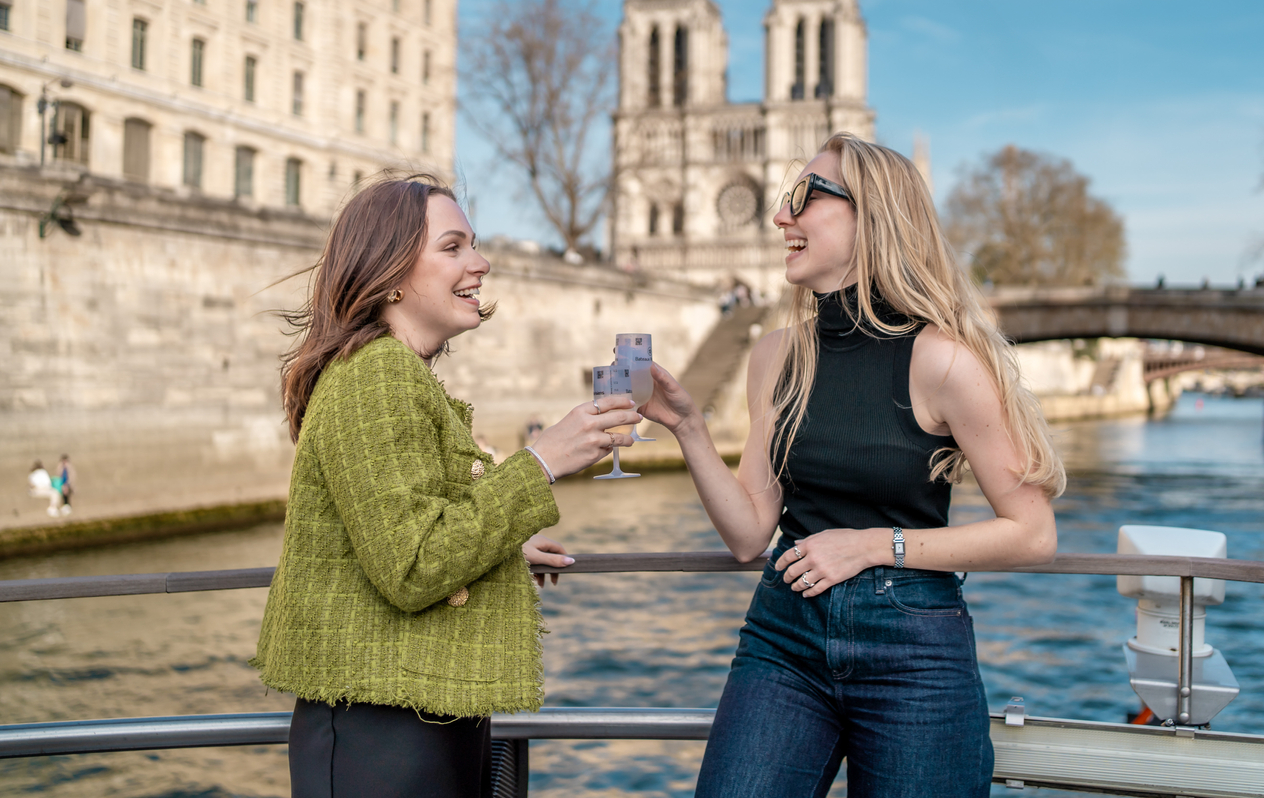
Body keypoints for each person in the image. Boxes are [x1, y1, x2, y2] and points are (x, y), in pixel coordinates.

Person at [639, 134, 1064, 798]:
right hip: (784, 634)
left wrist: (873, 546)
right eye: (785, 199)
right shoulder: (776, 355)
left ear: (873, 215)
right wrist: (690, 430)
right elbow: (751, 533)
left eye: (805, 197)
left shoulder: (943, 360)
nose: (782, 217)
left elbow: (1033, 534)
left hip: (915, 650)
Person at [251, 175, 642, 798]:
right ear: (392, 273)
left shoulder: (391, 373)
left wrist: (499, 552)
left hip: (410, 714)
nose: (480, 264)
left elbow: (402, 532)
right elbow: (410, 566)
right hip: (382, 732)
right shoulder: (376, 377)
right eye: (453, 247)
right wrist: (538, 462)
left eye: (474, 246)